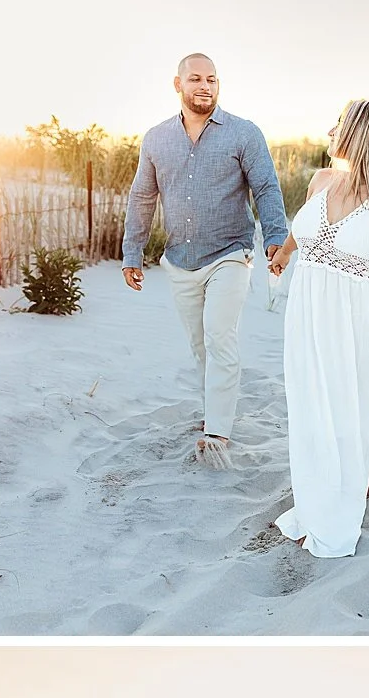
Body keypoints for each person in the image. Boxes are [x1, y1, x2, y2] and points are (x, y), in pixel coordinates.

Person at [121, 53, 288, 465]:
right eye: (195, 79)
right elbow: (142, 196)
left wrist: (275, 239)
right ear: (177, 85)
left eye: (212, 79)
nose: (205, 86)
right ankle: (212, 409)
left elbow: (265, 188)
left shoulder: (243, 134)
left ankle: (218, 430)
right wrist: (132, 251)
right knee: (200, 346)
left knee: (219, 336)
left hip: (231, 254)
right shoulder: (156, 139)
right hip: (179, 260)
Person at [269, 99, 369, 556]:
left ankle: (353, 485)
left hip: (359, 317)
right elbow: (306, 227)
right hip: (308, 314)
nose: (330, 130)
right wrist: (287, 251)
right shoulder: (320, 179)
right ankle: (322, 487)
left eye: (339, 124)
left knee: (354, 402)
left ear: (361, 134)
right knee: (313, 401)